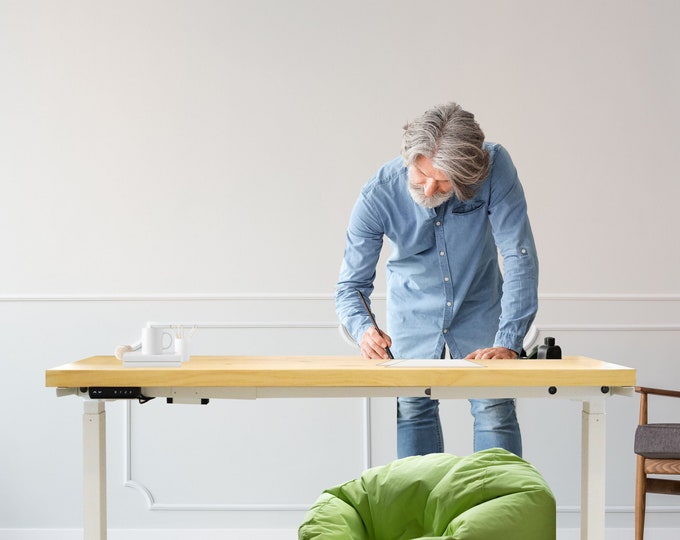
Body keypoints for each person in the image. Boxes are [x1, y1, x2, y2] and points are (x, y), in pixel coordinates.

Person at [335, 102, 538, 458]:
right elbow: (350, 288)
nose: (429, 190)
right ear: (409, 159)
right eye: (421, 176)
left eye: (444, 181)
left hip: (480, 304)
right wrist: (364, 329)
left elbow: (519, 258)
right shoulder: (378, 193)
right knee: (414, 409)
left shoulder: (495, 167)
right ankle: (422, 513)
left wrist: (509, 341)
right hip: (412, 313)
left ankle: (497, 511)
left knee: (495, 408)